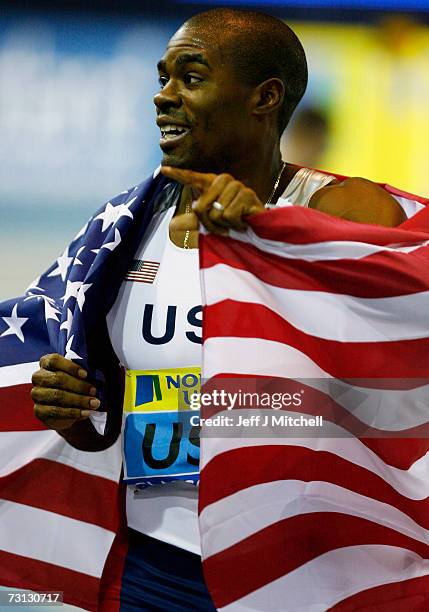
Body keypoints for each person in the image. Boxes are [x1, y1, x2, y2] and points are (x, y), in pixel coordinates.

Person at [30, 8, 408, 610]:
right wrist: (72, 410)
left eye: (191, 78)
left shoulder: (346, 210)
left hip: (305, 570)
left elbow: (392, 351)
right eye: (163, 78)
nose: (164, 97)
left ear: (266, 96)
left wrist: (265, 229)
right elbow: (121, 414)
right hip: (155, 568)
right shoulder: (124, 233)